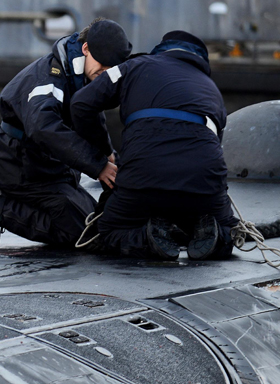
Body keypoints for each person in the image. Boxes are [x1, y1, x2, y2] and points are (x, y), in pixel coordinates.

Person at [70, 31, 237, 260]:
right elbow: (214, 146)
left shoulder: (134, 66)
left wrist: (104, 151)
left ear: (162, 49)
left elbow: (81, 104)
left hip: (143, 175)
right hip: (203, 179)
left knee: (110, 230)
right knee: (227, 225)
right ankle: (216, 236)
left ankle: (148, 238)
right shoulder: (210, 88)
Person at [0, 19, 131, 248]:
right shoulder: (50, 76)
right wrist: (97, 165)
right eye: (102, 64)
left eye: (110, 68)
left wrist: (108, 155)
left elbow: (90, 117)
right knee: (83, 236)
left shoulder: (83, 74)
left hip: (51, 167)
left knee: (96, 222)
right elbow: (43, 127)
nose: (104, 72)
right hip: (20, 165)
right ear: (85, 49)